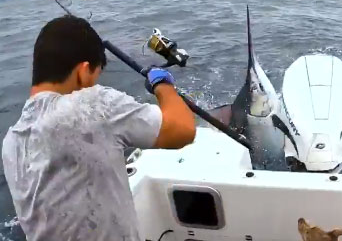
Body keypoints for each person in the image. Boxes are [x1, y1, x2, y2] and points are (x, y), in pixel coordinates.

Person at [2, 15, 196, 240]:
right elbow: (182, 129)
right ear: (83, 72)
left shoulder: (11, 142)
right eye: (95, 77)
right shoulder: (91, 105)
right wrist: (162, 83)